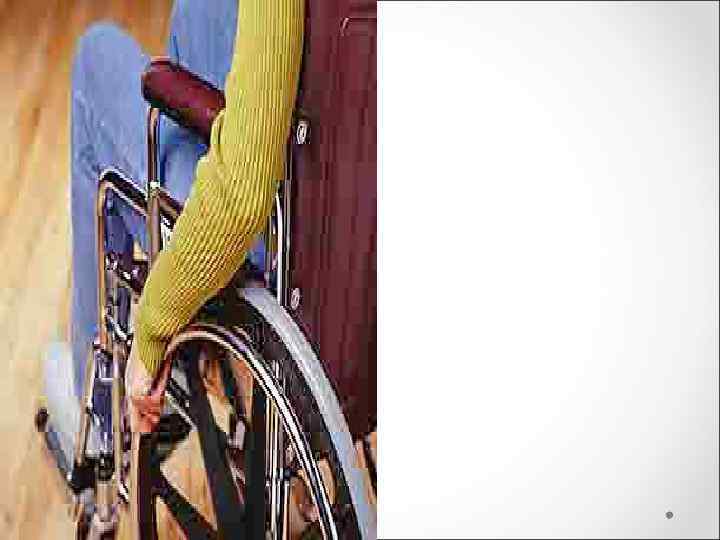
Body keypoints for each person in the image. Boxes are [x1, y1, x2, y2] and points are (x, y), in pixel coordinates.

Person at [45, 0, 303, 454]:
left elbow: (242, 196)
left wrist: (154, 328)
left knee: (95, 60)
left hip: (260, 240)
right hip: (347, 264)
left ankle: (101, 414)